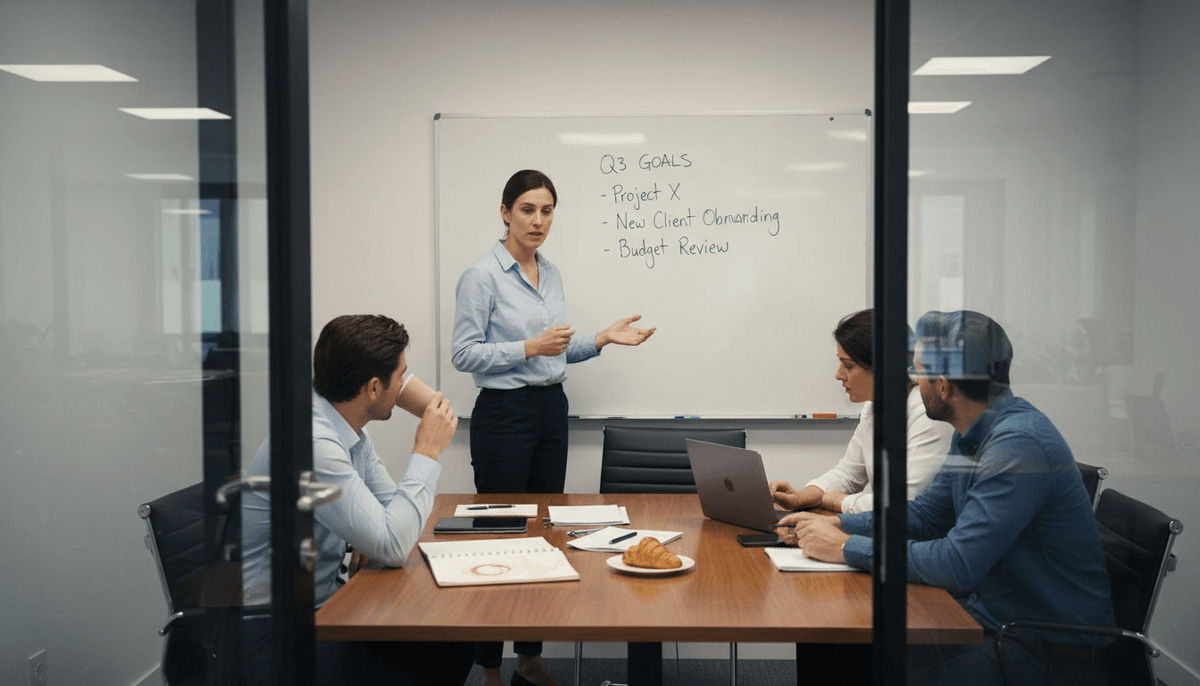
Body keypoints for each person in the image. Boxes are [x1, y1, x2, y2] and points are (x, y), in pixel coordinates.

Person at [777, 310, 1113, 685]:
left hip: (1040, 643)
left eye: (919, 372)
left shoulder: (1017, 446)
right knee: (832, 640)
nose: (913, 381)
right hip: (992, 617)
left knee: (856, 652)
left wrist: (843, 546)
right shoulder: (973, 430)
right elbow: (925, 515)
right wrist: (838, 523)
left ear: (944, 384)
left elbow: (956, 564)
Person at [451, 169, 655, 686]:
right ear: (504, 212)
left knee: (543, 535)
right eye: (527, 210)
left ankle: (531, 659)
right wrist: (528, 347)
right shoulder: (481, 276)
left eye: (546, 211)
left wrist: (602, 338)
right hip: (503, 417)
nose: (538, 221)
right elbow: (463, 353)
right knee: (499, 539)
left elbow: (555, 351)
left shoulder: (552, 272)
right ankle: (490, 668)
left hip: (549, 411)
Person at [241, 314, 473, 686]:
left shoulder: (349, 432)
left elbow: (388, 523)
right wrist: (427, 450)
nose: (405, 387)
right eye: (401, 377)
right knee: (426, 659)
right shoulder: (313, 444)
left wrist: (378, 535)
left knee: (453, 642)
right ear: (373, 388)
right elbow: (395, 542)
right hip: (273, 634)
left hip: (328, 606)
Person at [768, 309, 951, 514]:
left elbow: (906, 500)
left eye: (848, 365)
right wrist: (801, 497)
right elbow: (849, 473)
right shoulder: (875, 406)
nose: (838, 375)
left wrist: (840, 502)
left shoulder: (928, 413)